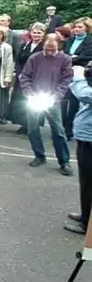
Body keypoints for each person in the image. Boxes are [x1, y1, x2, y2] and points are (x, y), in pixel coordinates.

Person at [20, 36, 73, 175]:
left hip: (52, 100)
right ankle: (39, 155)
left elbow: (66, 80)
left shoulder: (65, 59)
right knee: (32, 129)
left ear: (58, 46)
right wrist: (29, 94)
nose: (49, 52)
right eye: (47, 49)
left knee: (58, 131)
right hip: (34, 97)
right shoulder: (35, 58)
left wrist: (55, 96)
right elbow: (25, 77)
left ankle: (64, 161)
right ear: (43, 45)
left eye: (53, 49)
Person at [64, 63, 92, 234]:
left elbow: (85, 94)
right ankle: (85, 215)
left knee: (89, 182)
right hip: (86, 136)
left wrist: (79, 77)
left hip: (90, 138)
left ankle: (87, 224)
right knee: (85, 181)